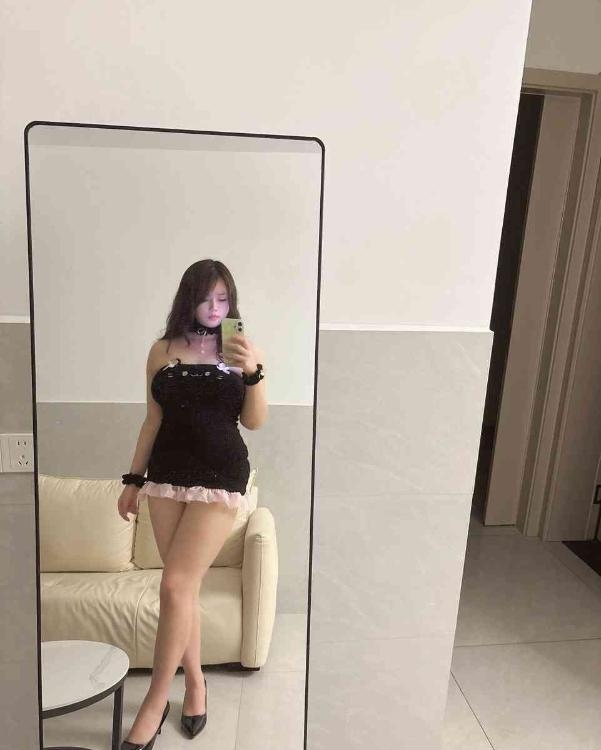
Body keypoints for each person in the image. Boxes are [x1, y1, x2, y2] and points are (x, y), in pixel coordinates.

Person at [117, 259, 267, 749]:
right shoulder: (161, 351)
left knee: (175, 585)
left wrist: (254, 372)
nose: (215, 308)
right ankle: (197, 684)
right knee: (185, 591)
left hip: (220, 477)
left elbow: (255, 421)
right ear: (189, 298)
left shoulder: (240, 348)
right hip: (166, 477)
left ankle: (155, 702)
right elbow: (152, 421)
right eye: (206, 298)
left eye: (223, 299)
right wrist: (133, 480)